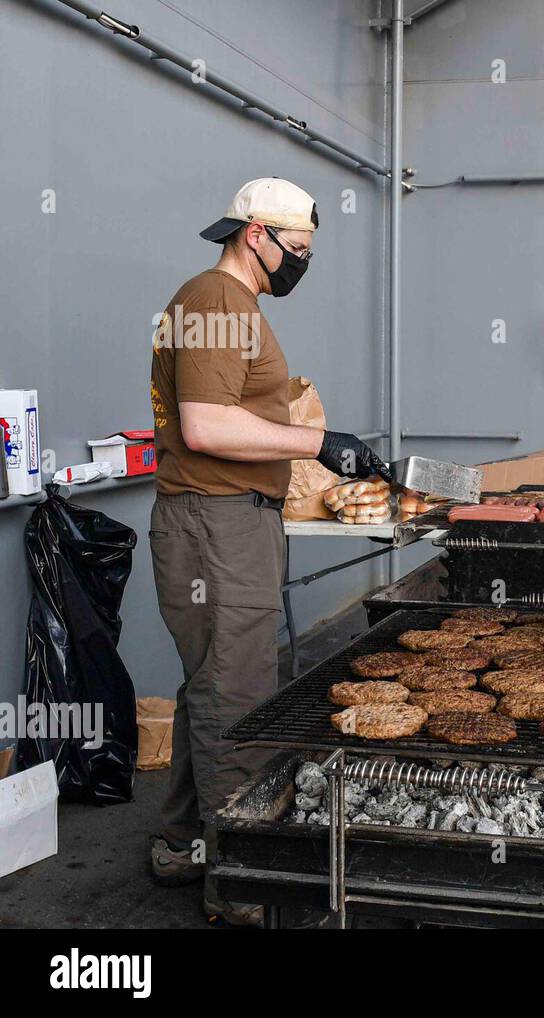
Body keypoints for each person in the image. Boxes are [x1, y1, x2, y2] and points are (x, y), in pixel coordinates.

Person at [147, 177, 389, 926]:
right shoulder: (216, 299)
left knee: (211, 686)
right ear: (257, 234)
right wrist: (324, 443)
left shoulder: (228, 304)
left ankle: (183, 842)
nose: (302, 262)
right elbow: (207, 428)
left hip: (227, 521)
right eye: (299, 249)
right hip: (216, 527)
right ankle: (240, 883)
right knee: (238, 697)